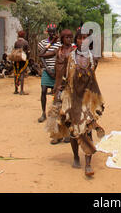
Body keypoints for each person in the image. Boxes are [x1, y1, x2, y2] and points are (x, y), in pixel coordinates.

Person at [47, 27, 105, 176]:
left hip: (86, 100)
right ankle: (75, 156)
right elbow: (63, 75)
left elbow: (92, 79)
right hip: (72, 98)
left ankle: (88, 164)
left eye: (85, 38)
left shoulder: (92, 58)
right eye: (79, 38)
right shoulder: (70, 57)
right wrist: (58, 91)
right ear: (76, 40)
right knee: (73, 131)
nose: (82, 41)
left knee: (88, 130)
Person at [43, 29, 76, 144]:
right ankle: (56, 135)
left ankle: (67, 133)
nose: (69, 39)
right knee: (56, 109)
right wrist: (51, 43)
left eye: (70, 37)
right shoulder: (58, 51)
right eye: (66, 37)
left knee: (68, 109)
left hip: (70, 85)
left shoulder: (74, 51)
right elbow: (41, 54)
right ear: (62, 39)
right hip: (58, 85)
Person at [37, 24, 61, 122]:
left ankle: (55, 113)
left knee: (57, 93)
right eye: (50, 32)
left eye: (53, 32)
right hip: (47, 71)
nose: (52, 33)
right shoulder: (42, 43)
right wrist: (47, 69)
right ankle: (43, 113)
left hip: (57, 71)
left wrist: (56, 70)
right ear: (47, 32)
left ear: (56, 32)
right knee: (43, 91)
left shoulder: (60, 44)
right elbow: (41, 55)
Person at [11, 31, 31, 95]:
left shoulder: (16, 43)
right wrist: (28, 58)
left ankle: (16, 90)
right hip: (23, 60)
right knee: (22, 74)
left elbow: (15, 50)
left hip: (16, 60)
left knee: (16, 74)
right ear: (24, 35)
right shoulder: (25, 42)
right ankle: (21, 90)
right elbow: (28, 51)